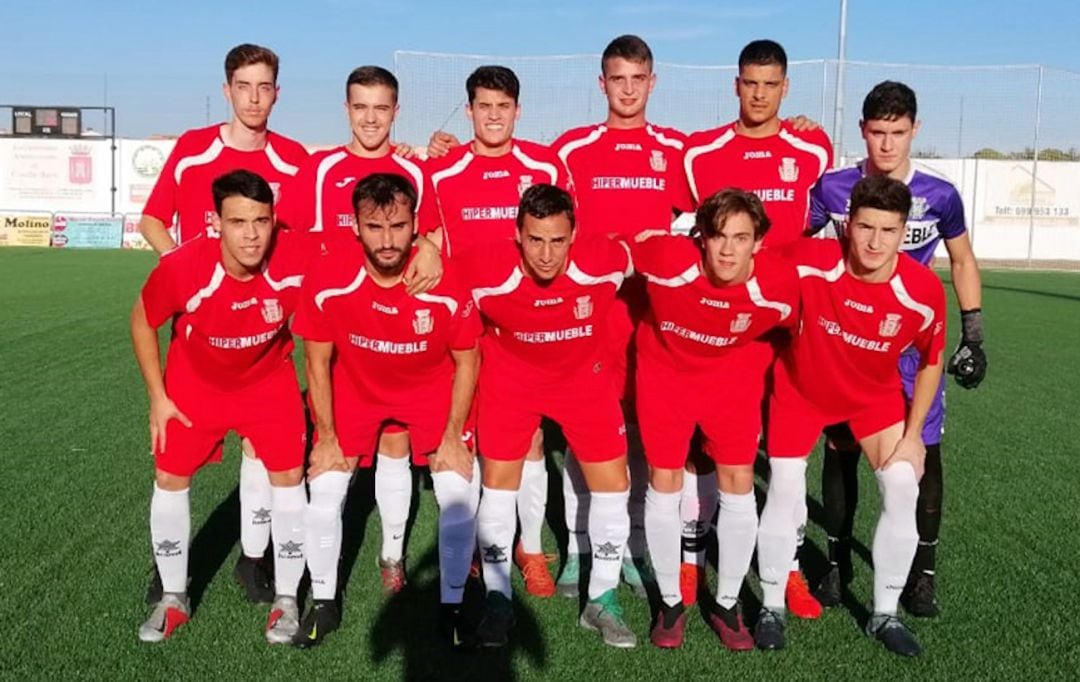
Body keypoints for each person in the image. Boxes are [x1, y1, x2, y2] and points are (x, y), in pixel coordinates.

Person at [808, 81, 987, 618]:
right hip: (848, 346)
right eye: (878, 133)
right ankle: (836, 566)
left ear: (915, 131)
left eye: (898, 133)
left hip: (910, 348)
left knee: (922, 455)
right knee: (840, 453)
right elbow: (790, 246)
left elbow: (961, 260)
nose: (887, 145)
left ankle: (922, 574)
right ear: (862, 131)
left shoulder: (940, 195)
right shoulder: (834, 188)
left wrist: (973, 332)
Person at [756, 174, 946, 657]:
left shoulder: (921, 289)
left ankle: (884, 613)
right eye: (865, 228)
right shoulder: (809, 261)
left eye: (887, 230)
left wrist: (915, 434)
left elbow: (930, 360)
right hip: (799, 393)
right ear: (847, 226)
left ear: (904, 233)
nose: (875, 241)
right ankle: (772, 606)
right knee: (784, 489)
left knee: (904, 482)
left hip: (873, 398)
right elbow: (748, 268)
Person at [290, 173, 481, 649]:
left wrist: (455, 435)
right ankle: (325, 602)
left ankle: (452, 606)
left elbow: (467, 360)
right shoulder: (330, 278)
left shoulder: (442, 277)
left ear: (416, 223)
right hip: (356, 392)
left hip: (429, 393)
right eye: (375, 227)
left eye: (398, 225)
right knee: (324, 494)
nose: (388, 239)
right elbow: (316, 360)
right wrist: (327, 436)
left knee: (458, 495)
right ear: (356, 226)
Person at [683, 39, 834, 618]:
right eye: (750, 82)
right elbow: (680, 228)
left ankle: (787, 566)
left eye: (770, 84)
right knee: (707, 444)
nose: (759, 94)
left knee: (787, 455)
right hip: (720, 324)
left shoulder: (812, 146)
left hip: (788, 324)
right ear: (736, 83)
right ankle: (692, 555)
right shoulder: (702, 153)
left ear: (786, 88)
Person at [132, 170, 311, 643]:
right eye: (238, 222)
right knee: (171, 478)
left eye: (261, 221)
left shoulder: (295, 257)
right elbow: (142, 320)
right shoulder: (184, 266)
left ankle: (287, 602)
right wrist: (158, 397)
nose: (251, 235)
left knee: (290, 481)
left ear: (275, 222)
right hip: (195, 389)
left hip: (268, 384)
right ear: (215, 223)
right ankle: (173, 598)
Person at [549, 34, 694, 601]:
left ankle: (631, 546)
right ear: (601, 83)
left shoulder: (678, 151)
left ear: (652, 83)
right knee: (584, 433)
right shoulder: (572, 150)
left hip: (654, 319)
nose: (628, 90)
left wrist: (800, 127)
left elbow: (724, 199)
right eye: (618, 79)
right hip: (589, 317)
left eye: (638, 79)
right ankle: (577, 549)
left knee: (638, 433)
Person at [465, 184, 636, 648]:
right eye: (535, 239)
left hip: (585, 382)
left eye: (558, 241)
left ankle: (601, 597)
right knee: (497, 490)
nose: (546, 253)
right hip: (511, 384)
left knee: (613, 487)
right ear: (516, 234)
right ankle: (499, 600)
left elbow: (656, 255)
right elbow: (433, 271)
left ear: (574, 235)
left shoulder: (604, 261)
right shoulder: (484, 269)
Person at [425, 65, 572, 598]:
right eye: (483, 106)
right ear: (469, 111)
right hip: (464, 330)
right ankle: (474, 550)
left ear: (518, 110)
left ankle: (529, 549)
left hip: (524, 330)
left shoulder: (543, 165)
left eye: (503, 106)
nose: (493, 115)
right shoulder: (441, 170)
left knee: (529, 443)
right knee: (471, 438)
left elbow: (561, 238)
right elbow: (428, 239)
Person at [633, 189, 798, 650]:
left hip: (732, 380)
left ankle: (726, 604)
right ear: (700, 237)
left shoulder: (780, 286)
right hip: (665, 374)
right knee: (664, 479)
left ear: (759, 242)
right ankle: (670, 603)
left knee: (739, 480)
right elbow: (611, 252)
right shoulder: (667, 259)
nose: (728, 249)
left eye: (741, 238)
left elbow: (796, 329)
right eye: (718, 236)